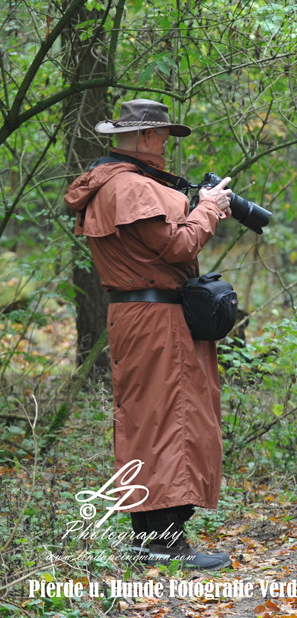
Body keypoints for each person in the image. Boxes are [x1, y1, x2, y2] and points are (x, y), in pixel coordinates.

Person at [63, 98, 234, 570]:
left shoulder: (120, 183)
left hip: (148, 316)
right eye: (161, 136)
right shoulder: (129, 187)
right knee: (166, 423)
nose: (165, 146)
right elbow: (178, 246)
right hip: (155, 320)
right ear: (142, 138)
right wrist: (209, 209)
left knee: (161, 420)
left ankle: (155, 537)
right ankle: (161, 541)